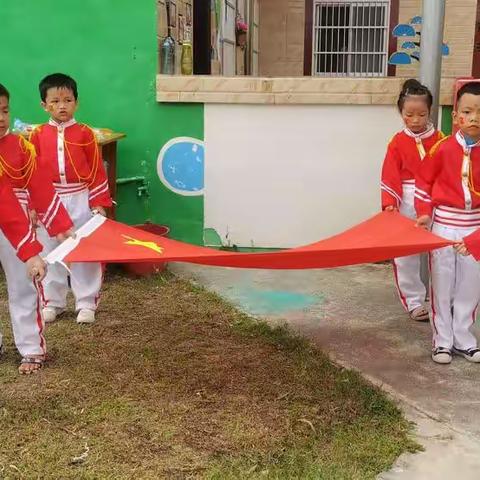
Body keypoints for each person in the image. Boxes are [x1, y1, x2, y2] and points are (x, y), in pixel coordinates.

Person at [0, 83, 74, 374]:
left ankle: (31, 348)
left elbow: (39, 186)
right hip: (12, 219)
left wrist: (60, 226)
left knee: (23, 285)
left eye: (4, 110)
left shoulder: (20, 146)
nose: (1, 118)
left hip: (15, 222)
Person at [29, 73, 112, 325]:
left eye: (67, 100)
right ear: (44, 105)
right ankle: (52, 301)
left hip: (80, 198)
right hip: (49, 201)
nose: (61, 106)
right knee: (48, 251)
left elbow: (97, 170)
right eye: (54, 101)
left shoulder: (86, 134)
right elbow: (31, 174)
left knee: (84, 250)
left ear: (76, 102)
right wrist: (33, 207)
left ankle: (86, 302)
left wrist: (98, 203)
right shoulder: (37, 135)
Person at [415, 81, 480, 364]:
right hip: (444, 225)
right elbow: (423, 183)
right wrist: (424, 212)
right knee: (442, 283)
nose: (474, 118)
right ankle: (442, 340)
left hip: (475, 225)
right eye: (467, 112)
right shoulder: (440, 149)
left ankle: (464, 338)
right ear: (456, 116)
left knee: (472, 284)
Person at [381, 79, 443, 322]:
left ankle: (441, 300)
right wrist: (389, 203)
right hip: (406, 200)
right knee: (404, 254)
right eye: (409, 114)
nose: (416, 120)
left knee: (441, 252)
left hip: (436, 199)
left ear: (430, 112)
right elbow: (389, 174)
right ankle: (414, 302)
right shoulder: (396, 142)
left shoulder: (441, 139)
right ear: (401, 113)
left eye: (422, 114)